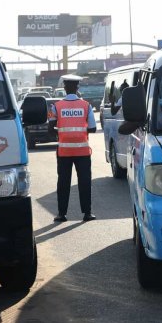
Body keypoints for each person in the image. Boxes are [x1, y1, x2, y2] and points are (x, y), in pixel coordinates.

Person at [48, 75, 97, 222]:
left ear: (64, 88)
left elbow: (50, 128)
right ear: (78, 88)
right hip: (82, 151)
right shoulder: (86, 105)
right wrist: (80, 133)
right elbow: (93, 128)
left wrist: (63, 133)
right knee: (85, 181)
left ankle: (61, 214)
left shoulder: (55, 106)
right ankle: (87, 213)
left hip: (64, 151)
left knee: (63, 182)